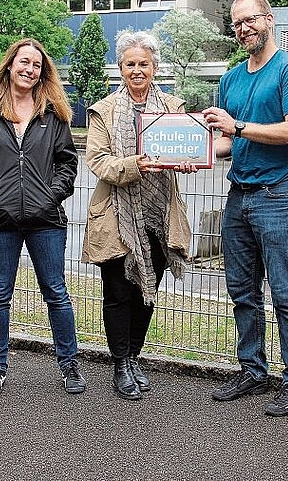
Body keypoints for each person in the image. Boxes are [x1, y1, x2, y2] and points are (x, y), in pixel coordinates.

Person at [202, 0, 288, 417]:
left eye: (250, 20)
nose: (244, 28)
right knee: (242, 293)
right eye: (237, 24)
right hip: (241, 197)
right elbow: (230, 140)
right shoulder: (231, 79)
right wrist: (198, 155)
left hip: (281, 195)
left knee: (286, 292)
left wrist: (240, 126)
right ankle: (252, 369)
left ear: (269, 19)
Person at [82, 30, 195, 400]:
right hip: (117, 214)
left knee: (148, 290)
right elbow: (97, 161)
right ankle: (120, 363)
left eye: (143, 64)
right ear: (120, 68)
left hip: (159, 214)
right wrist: (135, 164)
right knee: (118, 292)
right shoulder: (103, 110)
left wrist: (187, 162)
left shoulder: (174, 108)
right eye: (129, 64)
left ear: (155, 67)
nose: (136, 70)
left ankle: (134, 356)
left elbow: (186, 147)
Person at [0, 38, 84, 397]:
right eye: (24, 62)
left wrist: (49, 197)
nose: (29, 69)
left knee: (56, 292)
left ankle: (69, 364)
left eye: (36, 65)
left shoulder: (52, 114)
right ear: (10, 65)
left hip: (46, 219)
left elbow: (68, 164)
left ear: (42, 72)